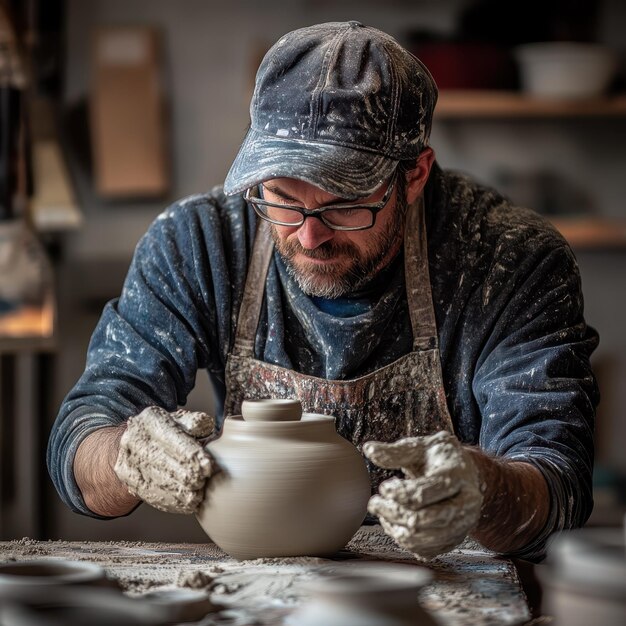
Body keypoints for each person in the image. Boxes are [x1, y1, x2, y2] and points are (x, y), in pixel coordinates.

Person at [47, 21, 599, 562]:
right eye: (281, 197)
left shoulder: (508, 260)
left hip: (448, 583)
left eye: (344, 203)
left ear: (414, 175)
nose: (309, 234)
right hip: (267, 584)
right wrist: (124, 457)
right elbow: (81, 437)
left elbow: (556, 484)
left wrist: (484, 489)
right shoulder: (199, 243)